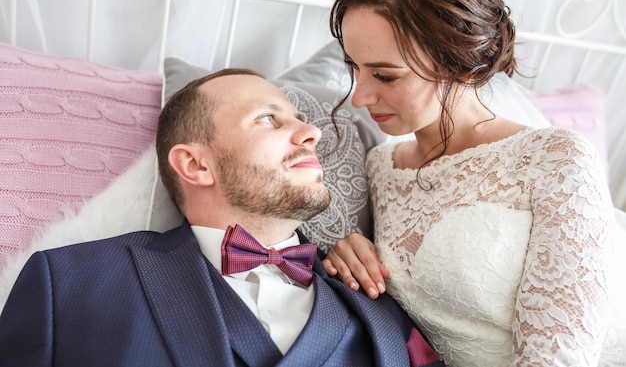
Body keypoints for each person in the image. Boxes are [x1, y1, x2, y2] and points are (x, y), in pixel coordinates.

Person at [0, 68, 445, 367]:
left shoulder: (378, 303)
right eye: (268, 120)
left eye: (301, 119)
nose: (311, 133)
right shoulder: (68, 281)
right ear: (195, 165)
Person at [321, 0, 619, 366]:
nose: (359, 97)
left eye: (385, 75)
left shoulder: (557, 160)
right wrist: (345, 256)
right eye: (353, 67)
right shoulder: (379, 168)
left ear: (460, 63)